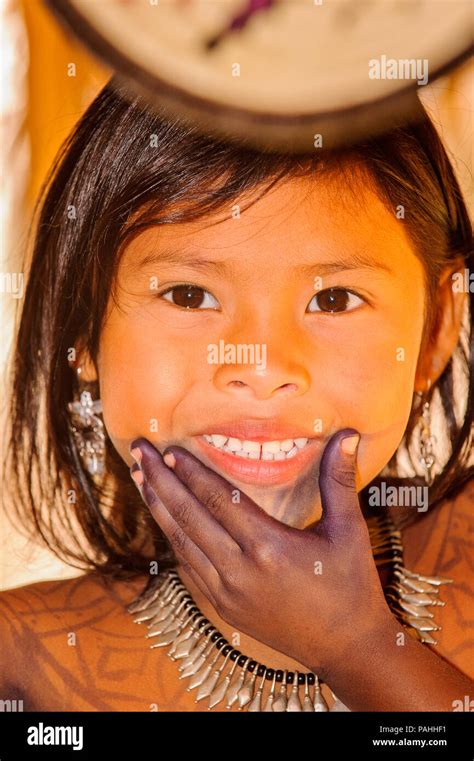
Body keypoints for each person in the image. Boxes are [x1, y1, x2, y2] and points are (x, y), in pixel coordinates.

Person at [0, 76, 472, 712]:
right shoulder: (25, 662)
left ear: (437, 327)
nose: (261, 366)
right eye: (189, 295)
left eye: (332, 300)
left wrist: (359, 648)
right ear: (84, 326)